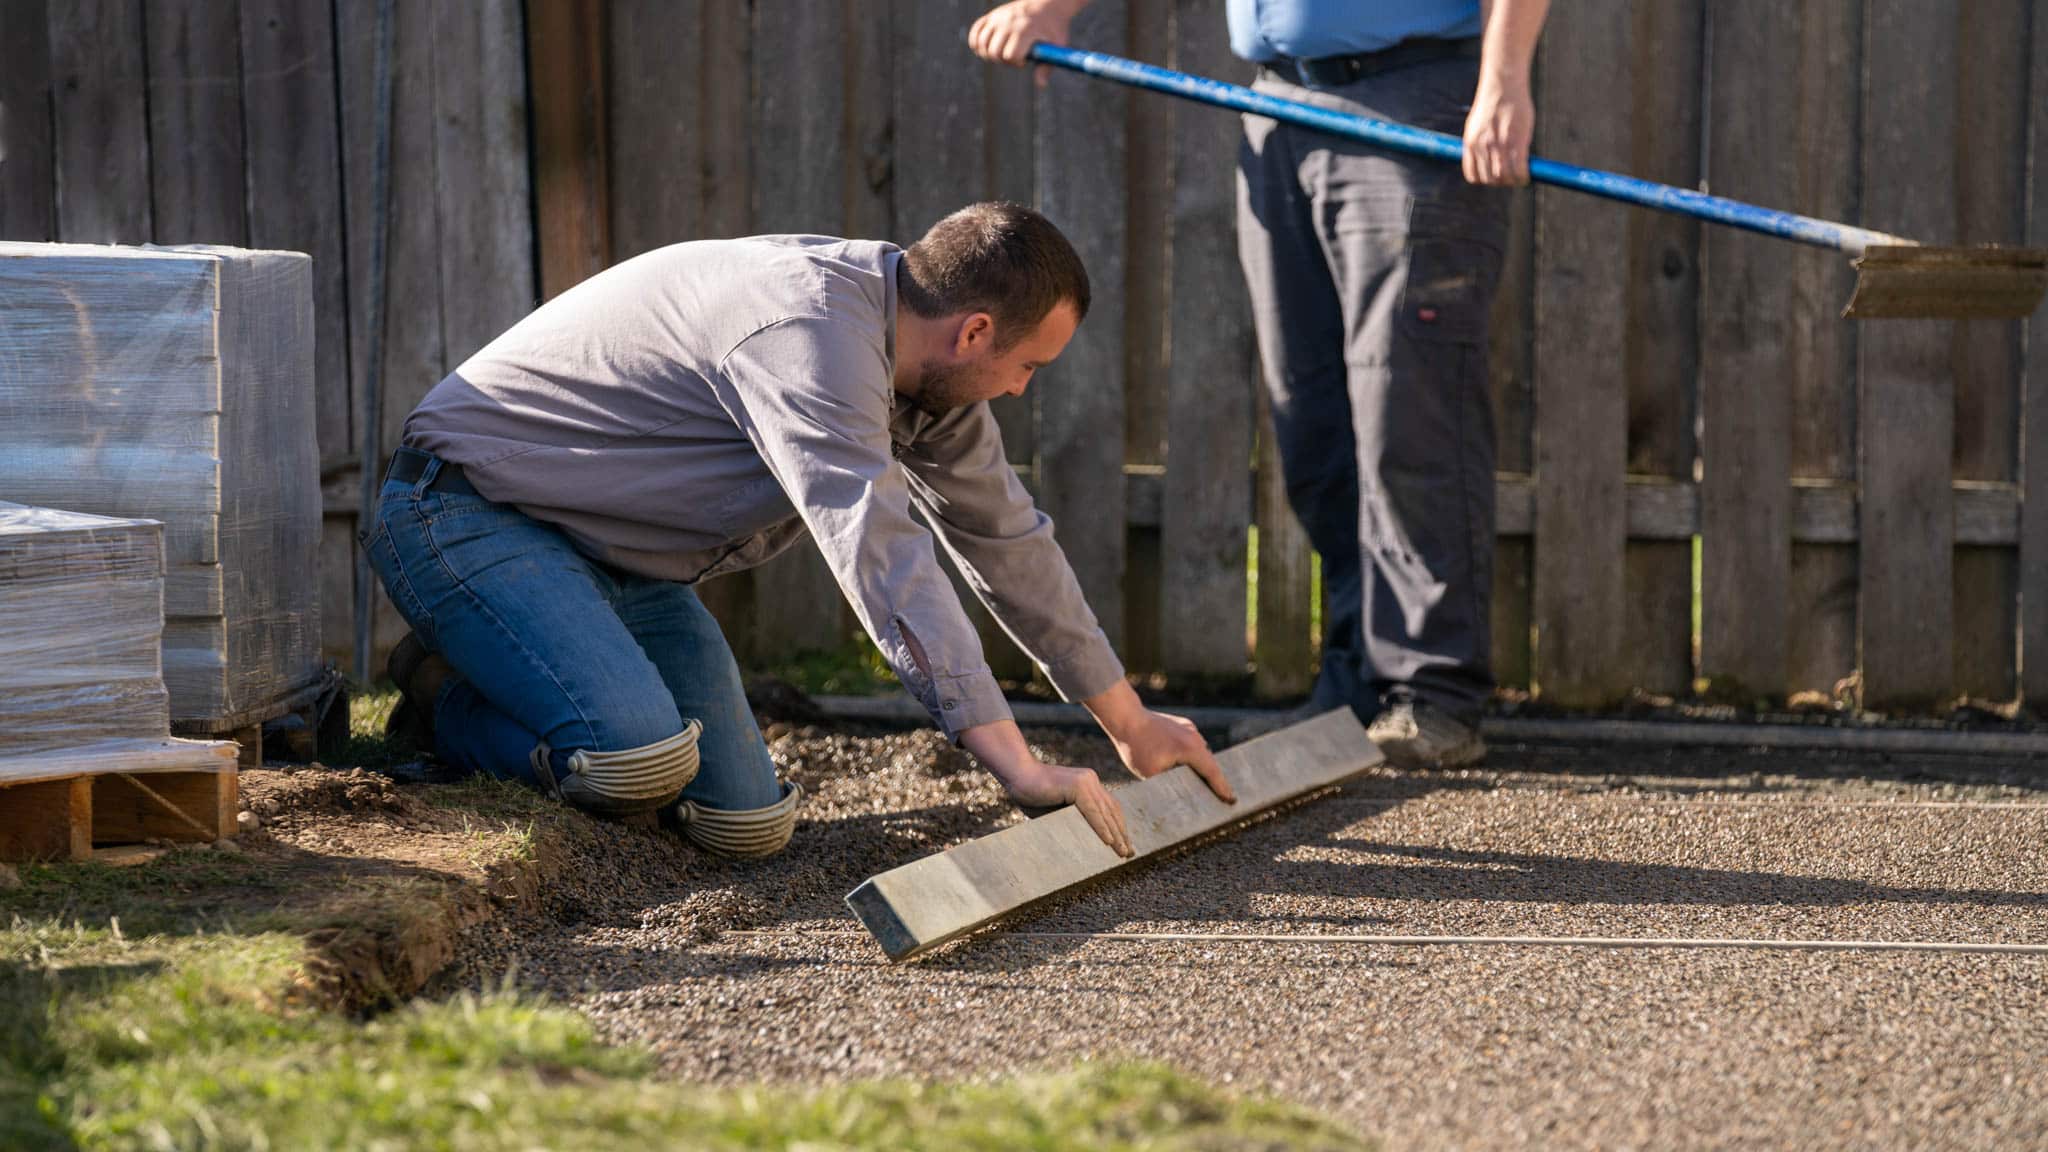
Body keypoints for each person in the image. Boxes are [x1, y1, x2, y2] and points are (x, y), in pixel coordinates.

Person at [362, 202, 1234, 859]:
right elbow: (882, 552)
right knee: (638, 763)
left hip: (610, 560)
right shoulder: (808, 333)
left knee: (747, 827)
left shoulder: (924, 375)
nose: (1020, 390)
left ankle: (494, 670)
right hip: (466, 511)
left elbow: (1008, 541)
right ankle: (443, 701)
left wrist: (1128, 722)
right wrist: (1017, 765)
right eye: (1026, 366)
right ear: (974, 331)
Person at [973, 0, 1550, 768]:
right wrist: (1050, 9)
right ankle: (1356, 684)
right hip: (1275, 104)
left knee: (1411, 413)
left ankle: (1434, 694)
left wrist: (1503, 82)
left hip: (1411, 99)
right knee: (1310, 418)